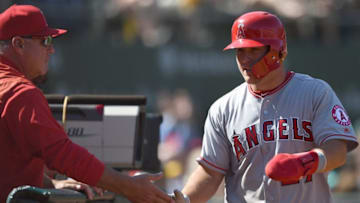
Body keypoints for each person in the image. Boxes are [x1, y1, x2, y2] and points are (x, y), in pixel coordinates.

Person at [171, 11, 359, 203]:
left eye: (253, 50)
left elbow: (337, 150)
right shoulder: (222, 109)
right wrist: (184, 199)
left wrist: (305, 163)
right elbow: (210, 173)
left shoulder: (314, 92)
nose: (244, 59)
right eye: (240, 51)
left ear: (278, 51)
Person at [0, 4, 172, 203]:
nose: (51, 49)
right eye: (44, 41)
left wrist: (50, 183)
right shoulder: (18, 92)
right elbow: (64, 155)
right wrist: (129, 186)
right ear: (19, 44)